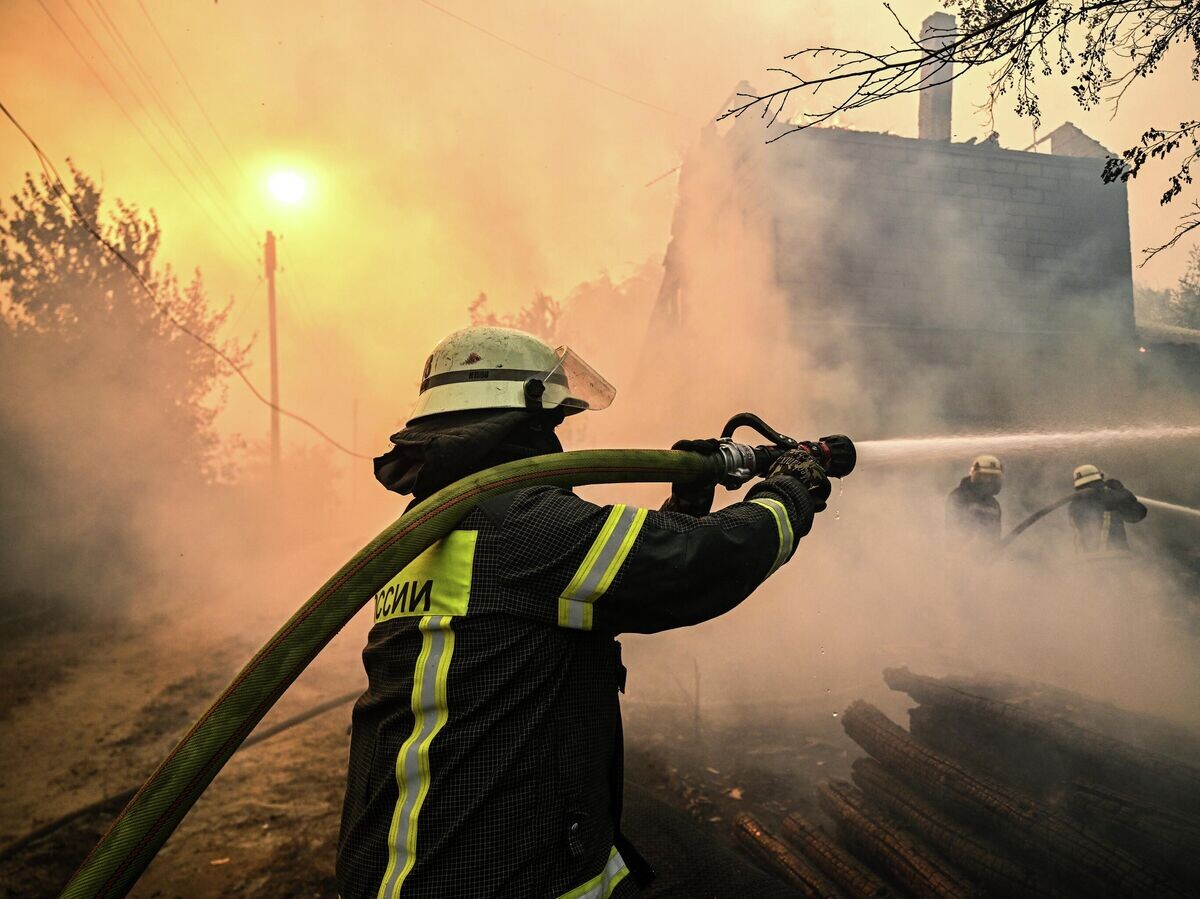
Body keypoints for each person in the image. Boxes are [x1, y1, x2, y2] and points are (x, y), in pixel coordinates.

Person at [337, 326, 834, 899]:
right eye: (553, 421)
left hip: (414, 857)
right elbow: (693, 567)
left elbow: (589, 592)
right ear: (521, 418)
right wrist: (789, 494)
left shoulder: (425, 529)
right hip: (491, 870)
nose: (558, 438)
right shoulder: (518, 524)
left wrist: (685, 505)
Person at [1069, 463, 1147, 557]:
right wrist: (1122, 492)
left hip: (1083, 562)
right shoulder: (1109, 499)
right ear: (1098, 480)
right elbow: (1138, 513)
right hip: (1112, 558)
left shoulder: (1073, 506)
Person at [945, 455, 1003, 545]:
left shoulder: (994, 504)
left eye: (993, 477)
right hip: (962, 553)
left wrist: (994, 548)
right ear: (976, 476)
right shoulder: (959, 496)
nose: (989, 481)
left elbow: (995, 534)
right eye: (986, 477)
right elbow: (953, 529)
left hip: (987, 555)